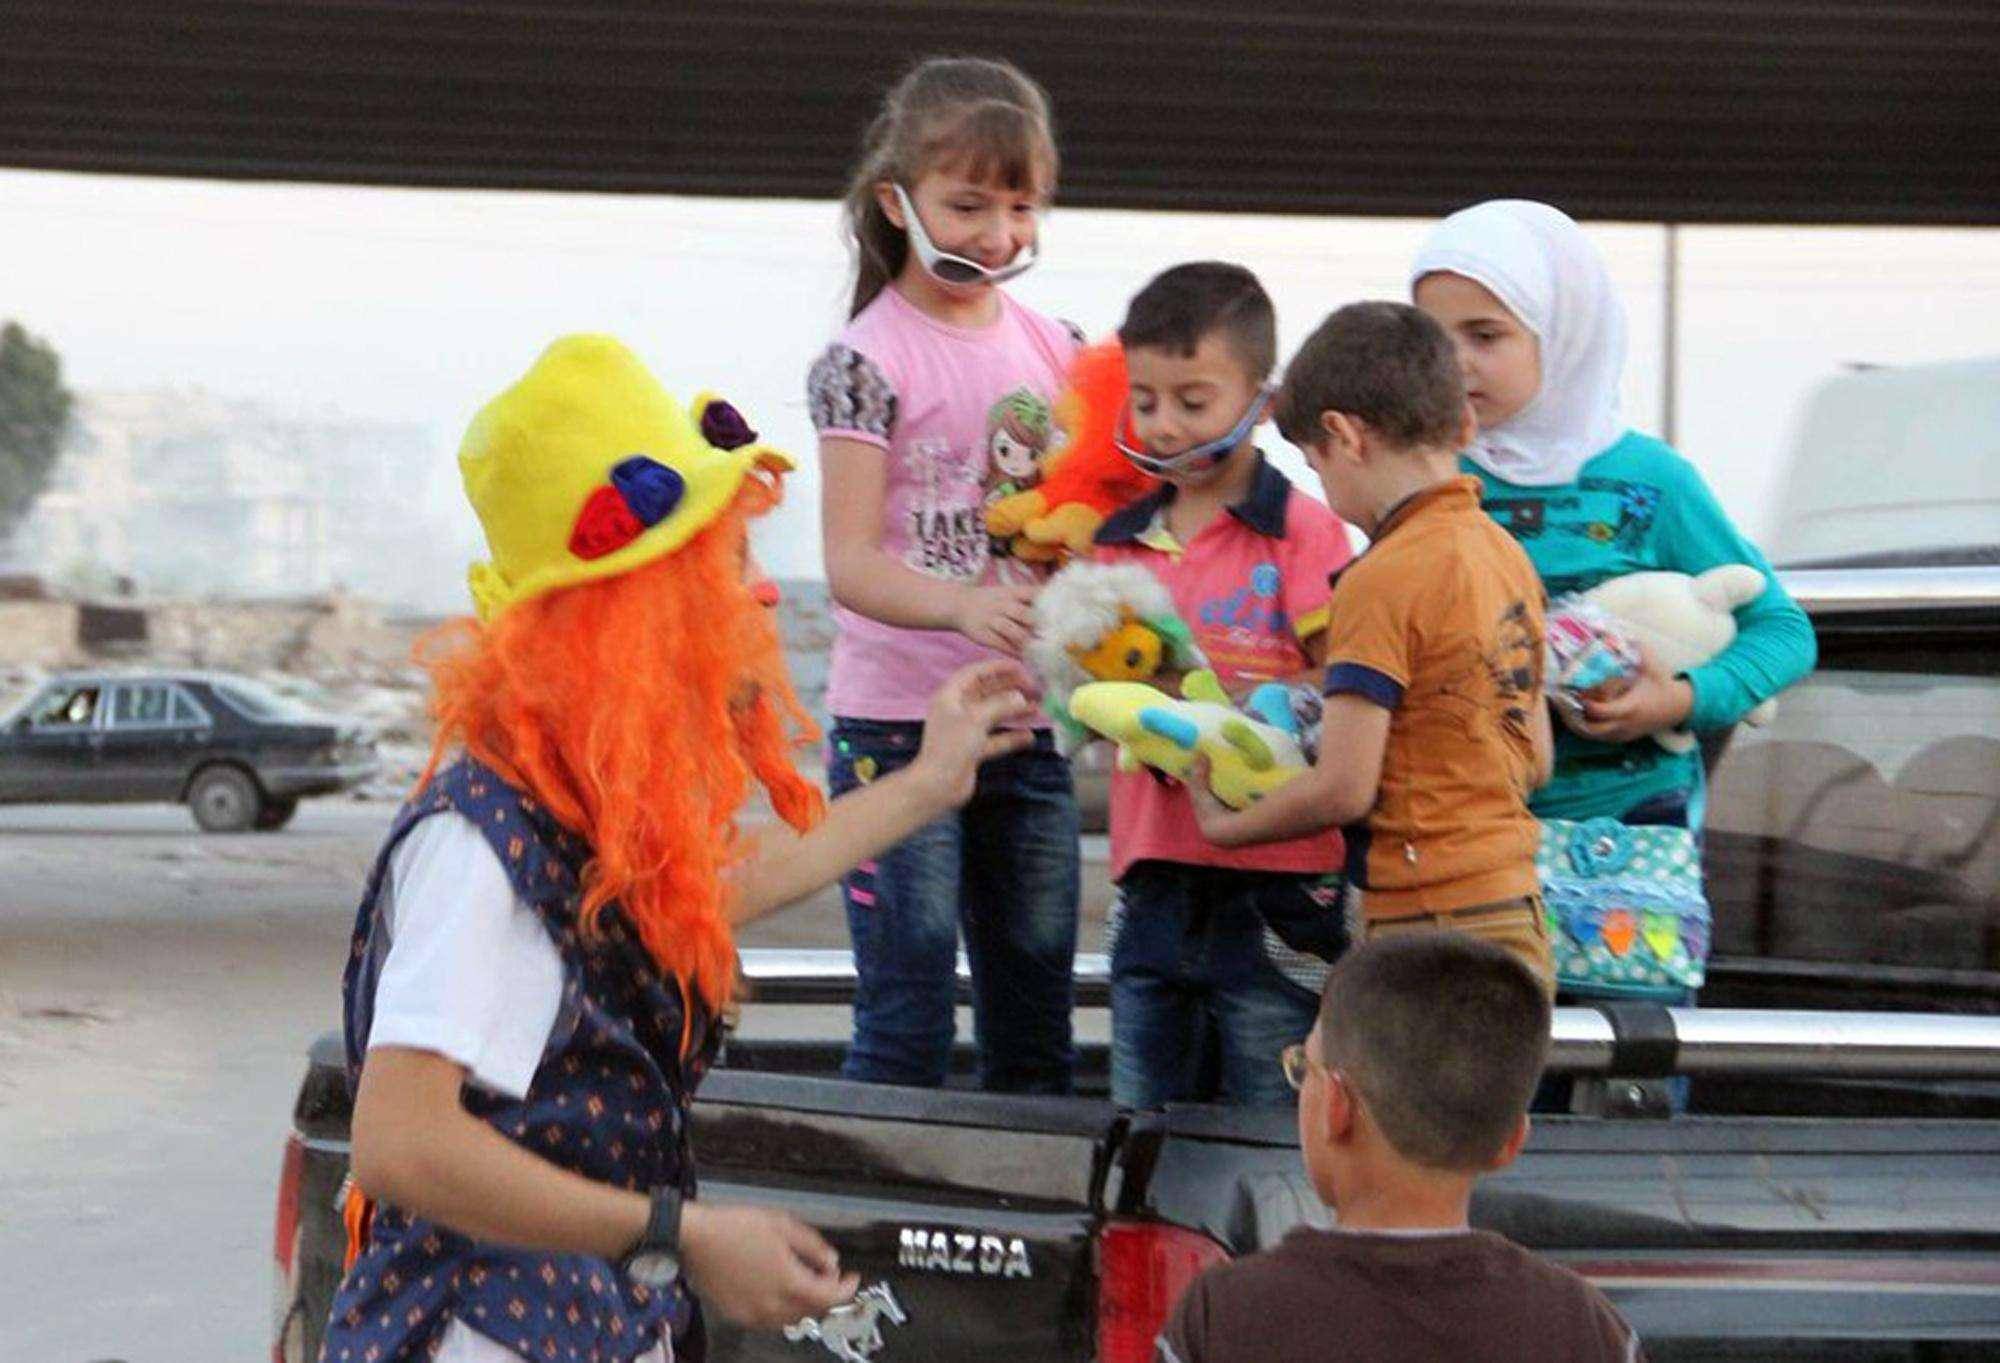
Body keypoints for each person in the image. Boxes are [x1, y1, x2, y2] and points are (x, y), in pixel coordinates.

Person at [321, 334, 1042, 1363]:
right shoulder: (477, 842)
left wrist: (929, 780)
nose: (761, 595)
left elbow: (705, 892)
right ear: (640, 608)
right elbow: (401, 1142)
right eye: (732, 562)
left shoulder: (569, 813)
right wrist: (678, 1233)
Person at [808, 56, 1082, 1093]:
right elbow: (849, 565)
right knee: (905, 1014)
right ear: (897, 203)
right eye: (967, 206)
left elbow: (1088, 519)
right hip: (895, 730)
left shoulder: (1061, 348)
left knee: (1035, 1027)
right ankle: (869, 1200)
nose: (998, 234)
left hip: (1024, 723)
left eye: (1021, 206)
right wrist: (965, 605)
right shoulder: (864, 360)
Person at [1409, 198, 1815, 832]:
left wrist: (1678, 700)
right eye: (1434, 339)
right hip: (1464, 836)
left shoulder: (1650, 480)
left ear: (1562, 332)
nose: (1456, 361)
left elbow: (1782, 632)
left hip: (1633, 844)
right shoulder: (1426, 476)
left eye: (1485, 335)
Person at [1191, 302, 1556, 990]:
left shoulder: (1379, 577)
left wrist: (1224, 826)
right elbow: (1535, 757)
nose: (1325, 492)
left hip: (1423, 919)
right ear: (1462, 422)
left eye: (1316, 466)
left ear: (1344, 435)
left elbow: (1344, 787)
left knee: (1354, 1063)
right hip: (1514, 905)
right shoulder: (1507, 556)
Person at [1089, 262, 1353, 1108]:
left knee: (1271, 1121)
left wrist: (1239, 706)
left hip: (1281, 879)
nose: (1164, 424)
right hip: (1153, 872)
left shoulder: (1305, 532)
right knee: (1143, 1121)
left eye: (1193, 401)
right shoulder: (1113, 545)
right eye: (1145, 400)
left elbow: (1341, 675)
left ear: (1262, 402)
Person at [1157, 934, 1646, 1362]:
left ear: (1335, 1106)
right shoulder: (1584, 1326)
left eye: (1305, 1068)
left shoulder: (1226, 1315)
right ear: (1511, 1140)